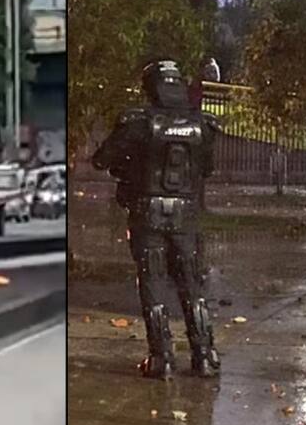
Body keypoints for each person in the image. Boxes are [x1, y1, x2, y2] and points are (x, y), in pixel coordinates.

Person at [92, 59, 222, 379]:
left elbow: (102, 159)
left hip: (147, 212)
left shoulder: (138, 123)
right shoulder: (202, 125)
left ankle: (162, 358)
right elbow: (207, 169)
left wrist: (131, 164)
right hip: (186, 215)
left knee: (152, 282)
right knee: (192, 283)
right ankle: (204, 355)